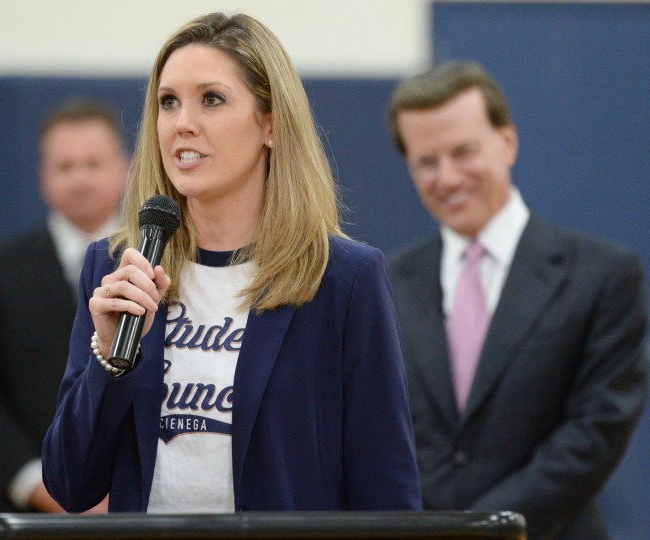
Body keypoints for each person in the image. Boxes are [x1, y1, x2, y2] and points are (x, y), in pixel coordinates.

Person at [42, 12, 421, 514]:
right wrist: (111, 362)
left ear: (270, 123)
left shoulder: (343, 279)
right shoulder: (116, 268)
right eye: (168, 102)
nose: (183, 124)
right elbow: (71, 485)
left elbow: (386, 489)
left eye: (212, 99)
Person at [385, 60, 647, 539]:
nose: (446, 177)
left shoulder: (602, 275)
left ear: (507, 142)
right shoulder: (386, 282)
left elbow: (596, 432)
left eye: (463, 152)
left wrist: (481, 530)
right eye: (426, 161)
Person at [0, 99, 130, 513]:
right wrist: (40, 485)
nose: (80, 179)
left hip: (139, 504)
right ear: (43, 178)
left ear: (123, 169)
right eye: (65, 167)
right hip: (28, 514)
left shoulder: (156, 265)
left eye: (93, 163)